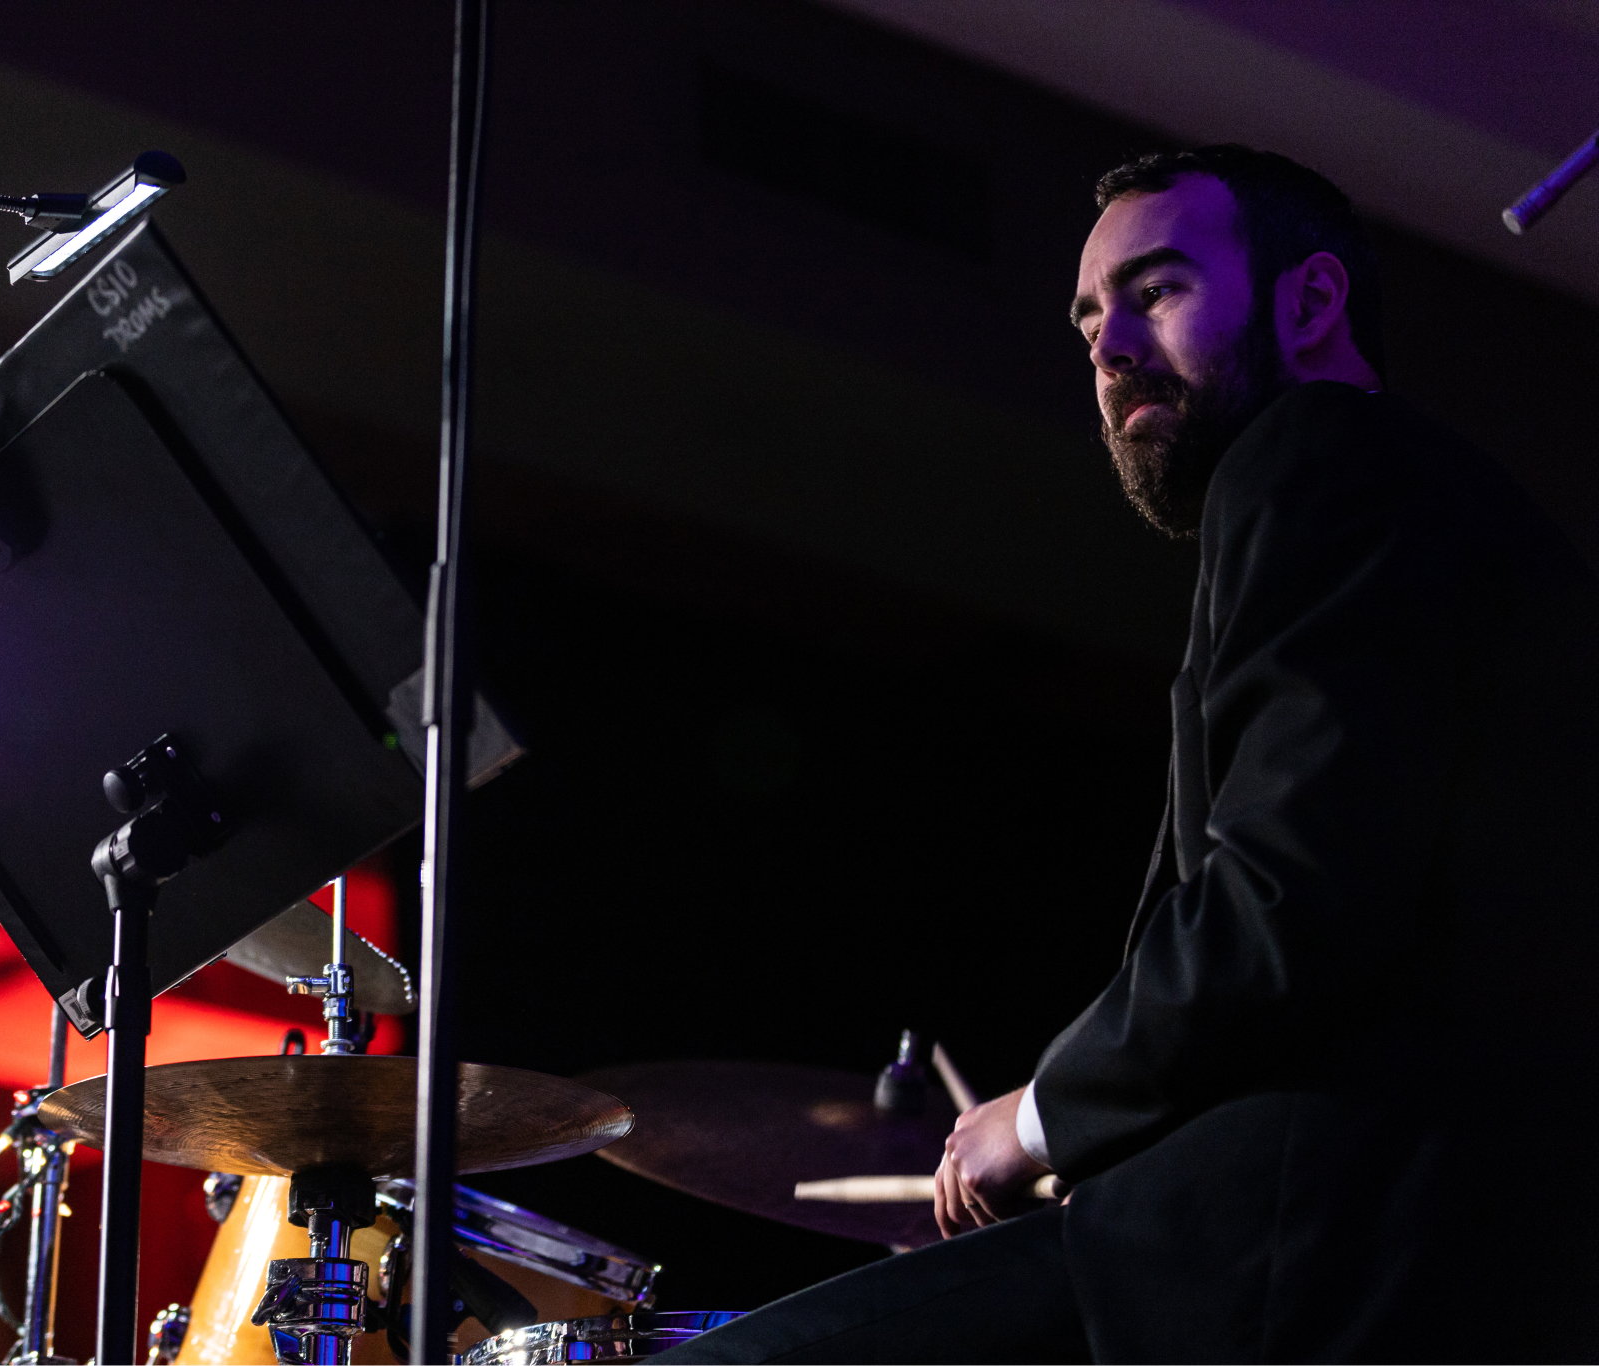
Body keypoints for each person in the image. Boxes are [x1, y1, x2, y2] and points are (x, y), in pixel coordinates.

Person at [656, 145, 1599, 1363]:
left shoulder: (1316, 458)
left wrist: (1037, 1120)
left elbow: (1285, 902)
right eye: (1090, 316)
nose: (1106, 351)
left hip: (1275, 1270)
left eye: (1155, 293)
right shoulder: (1451, 522)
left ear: (1308, 303)